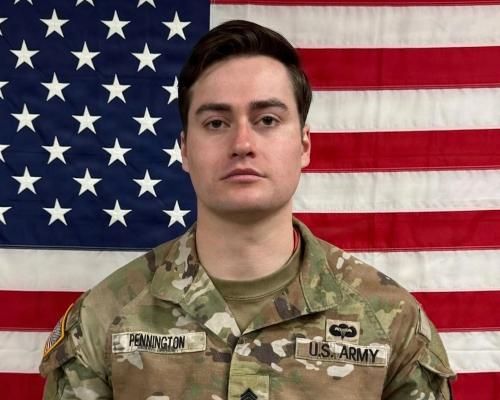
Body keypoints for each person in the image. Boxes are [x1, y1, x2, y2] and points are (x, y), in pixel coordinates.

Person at [40, 20, 456, 399]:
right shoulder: (105, 318)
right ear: (185, 150)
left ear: (304, 145)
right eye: (216, 123)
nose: (242, 143)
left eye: (267, 120)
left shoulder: (391, 321)